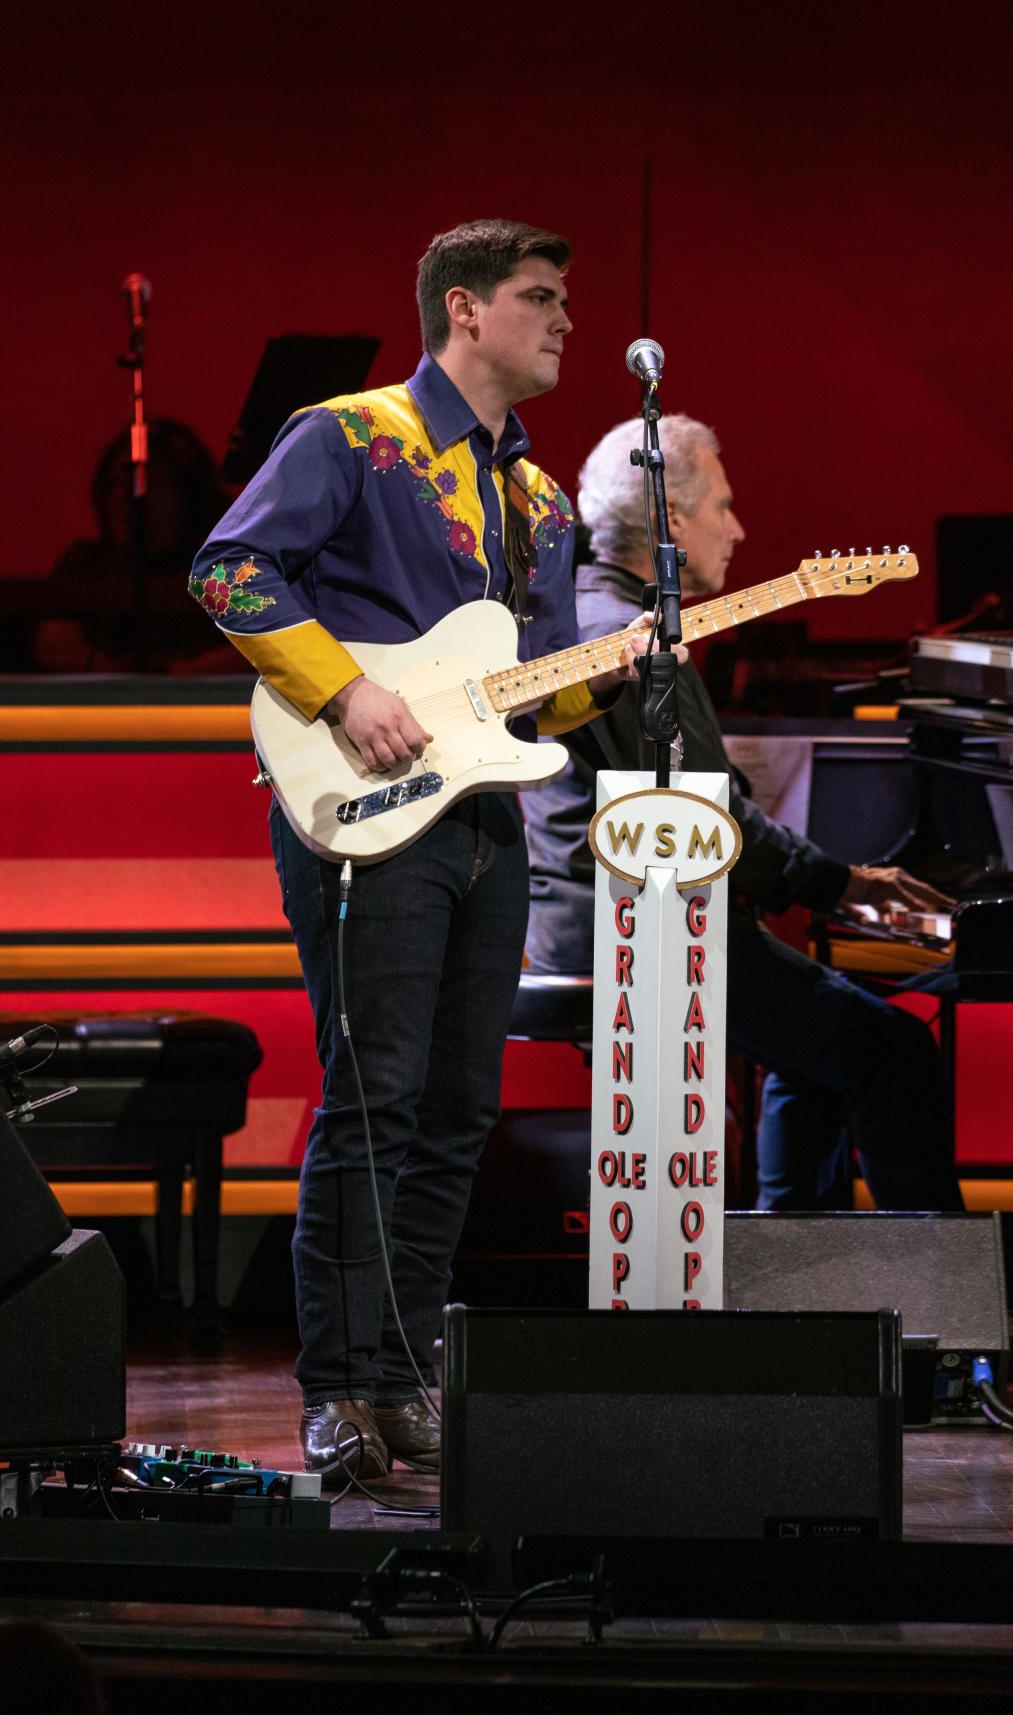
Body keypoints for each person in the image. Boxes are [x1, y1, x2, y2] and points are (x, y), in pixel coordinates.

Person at [189, 219, 654, 1484]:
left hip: (486, 821)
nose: (565, 322)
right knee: (374, 1097)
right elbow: (228, 571)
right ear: (462, 309)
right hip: (367, 805)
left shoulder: (541, 496)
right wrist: (344, 692)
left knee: (455, 1110)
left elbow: (535, 698)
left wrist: (616, 674)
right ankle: (339, 1387)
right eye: (540, 297)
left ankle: (401, 1375)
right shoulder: (352, 435)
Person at [523, 413, 967, 1215]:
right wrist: (839, 883)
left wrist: (825, 883)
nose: (739, 527)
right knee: (893, 1049)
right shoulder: (627, 638)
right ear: (671, 521)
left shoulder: (590, 614)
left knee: (823, 1050)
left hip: (617, 916)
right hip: (637, 936)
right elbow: (706, 813)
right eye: (722, 506)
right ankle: (932, 1288)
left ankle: (797, 1265)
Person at [34, 420, 245, 674]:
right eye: (115, 483)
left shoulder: (224, 565)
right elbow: (55, 645)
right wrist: (124, 685)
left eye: (150, 482)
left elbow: (264, 646)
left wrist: (174, 681)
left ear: (188, 494)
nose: (125, 496)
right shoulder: (85, 563)